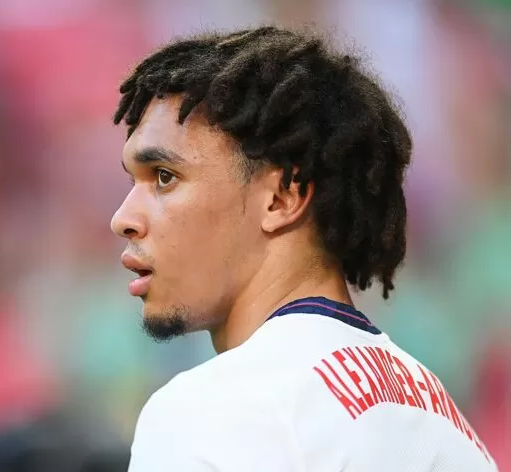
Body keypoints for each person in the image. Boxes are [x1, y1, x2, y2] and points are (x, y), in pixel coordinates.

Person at [109, 26, 497, 471]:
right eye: (132, 182)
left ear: (282, 198)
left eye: (164, 177)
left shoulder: (205, 412)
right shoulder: (448, 426)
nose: (122, 218)